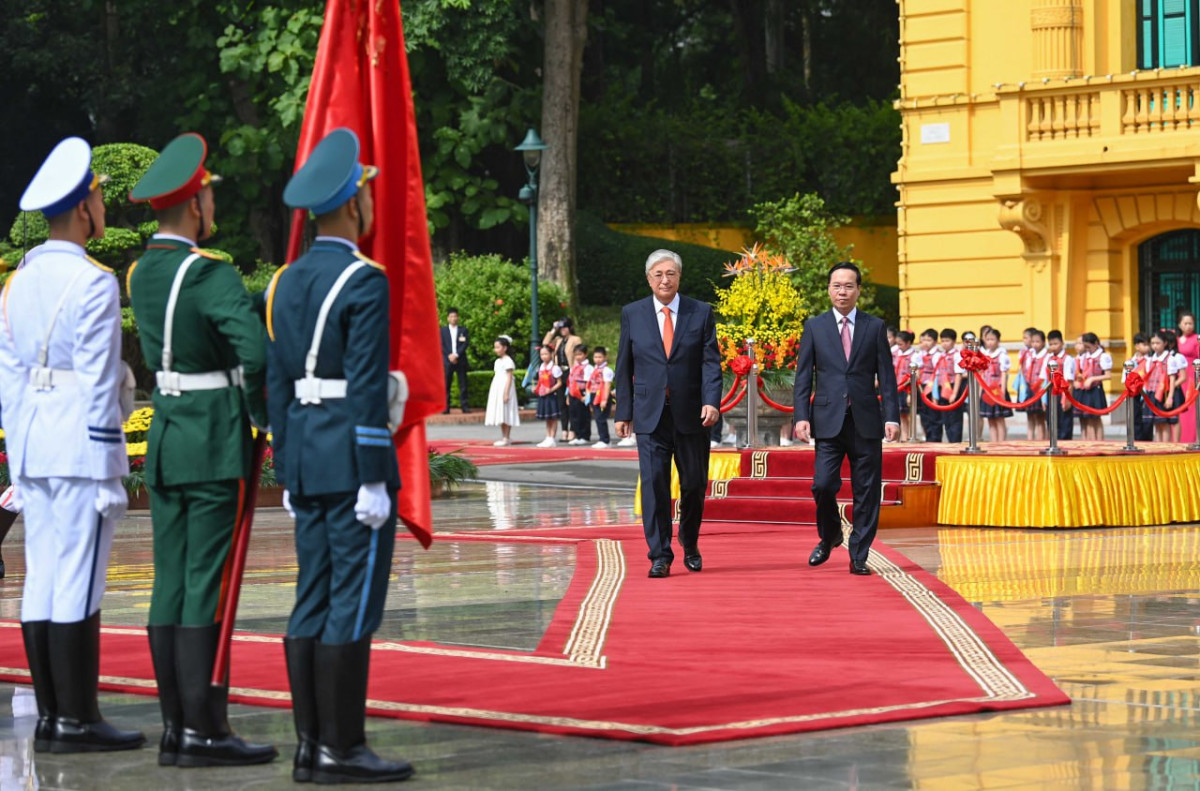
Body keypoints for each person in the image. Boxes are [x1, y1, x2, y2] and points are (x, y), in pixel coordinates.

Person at [266, 127, 414, 784]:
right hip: (352, 463)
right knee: (352, 602)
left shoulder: (286, 279)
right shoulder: (363, 280)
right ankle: (342, 747)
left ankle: (309, 744)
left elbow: (276, 384)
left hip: (306, 457)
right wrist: (377, 475)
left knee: (311, 598)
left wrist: (288, 465)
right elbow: (363, 384)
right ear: (352, 205)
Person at [126, 132, 277, 768]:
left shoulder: (143, 272)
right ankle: (206, 730)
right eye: (209, 194)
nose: (213, 204)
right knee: (207, 586)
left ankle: (174, 727)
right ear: (194, 206)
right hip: (213, 439)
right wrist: (261, 414)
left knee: (170, 582)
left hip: (166, 438)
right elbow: (256, 352)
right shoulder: (208, 271)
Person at [0, 137, 144, 752]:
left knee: (42, 580)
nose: (103, 204)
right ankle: (78, 719)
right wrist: (110, 465)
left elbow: (7, 376)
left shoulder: (19, 281)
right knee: (80, 582)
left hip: (33, 443)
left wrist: (19, 454)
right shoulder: (94, 282)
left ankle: (55, 716)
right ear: (84, 209)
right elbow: (96, 381)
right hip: (78, 449)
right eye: (99, 196)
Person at [615, 249, 721, 578]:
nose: (665, 279)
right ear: (649, 279)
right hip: (650, 415)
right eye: (658, 274)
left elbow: (710, 362)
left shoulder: (700, 312)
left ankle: (689, 542)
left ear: (679, 277)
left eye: (670, 273)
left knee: (693, 484)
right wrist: (624, 411)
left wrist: (712, 400)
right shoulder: (633, 313)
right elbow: (624, 365)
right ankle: (659, 554)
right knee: (654, 484)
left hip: (692, 414)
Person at [793, 262, 900, 576]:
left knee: (866, 490)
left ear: (858, 290)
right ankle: (830, 535)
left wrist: (891, 416)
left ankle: (859, 554)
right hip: (827, 419)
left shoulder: (874, 326)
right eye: (837, 286)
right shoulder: (815, 326)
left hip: (866, 420)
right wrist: (801, 416)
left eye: (849, 286)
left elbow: (888, 377)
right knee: (822, 485)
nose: (843, 291)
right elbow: (803, 376)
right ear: (829, 289)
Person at [543, 317, 582, 441]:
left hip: (570, 371)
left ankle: (573, 430)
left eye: (564, 327)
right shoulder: (558, 340)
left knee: (571, 402)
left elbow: (578, 353)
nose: (562, 330)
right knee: (561, 403)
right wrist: (553, 329)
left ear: (569, 328)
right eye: (561, 328)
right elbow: (545, 343)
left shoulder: (575, 339)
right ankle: (564, 430)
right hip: (559, 372)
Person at [1073, 332, 1112, 441]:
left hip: (1095, 389)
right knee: (1085, 418)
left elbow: (1108, 376)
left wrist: (1093, 379)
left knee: (1094, 418)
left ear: (1096, 344)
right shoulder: (1084, 356)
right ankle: (1087, 441)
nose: (1087, 349)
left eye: (1088, 347)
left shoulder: (1103, 356)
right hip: (1084, 390)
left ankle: (1098, 441)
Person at [978, 328, 1011, 442]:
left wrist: (1003, 390)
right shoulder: (984, 355)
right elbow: (982, 374)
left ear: (998, 340)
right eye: (987, 339)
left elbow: (1004, 374)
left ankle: (1001, 442)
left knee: (999, 418)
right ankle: (993, 443)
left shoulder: (1001, 354)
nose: (990, 342)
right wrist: (980, 392)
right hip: (986, 390)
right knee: (990, 418)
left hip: (997, 389)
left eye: (992, 339)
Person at [485, 335, 519, 446]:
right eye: (495, 347)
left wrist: (506, 393)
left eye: (498, 347)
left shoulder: (508, 361)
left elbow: (509, 377)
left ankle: (506, 437)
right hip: (498, 386)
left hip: (505, 387)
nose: (496, 350)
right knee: (501, 411)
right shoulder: (497, 361)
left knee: (506, 411)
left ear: (505, 348)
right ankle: (504, 436)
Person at [1145, 330, 1178, 442]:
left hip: (1163, 393)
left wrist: (1170, 397)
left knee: (1164, 423)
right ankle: (1158, 446)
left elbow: (1172, 379)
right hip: (1152, 393)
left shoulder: (1170, 359)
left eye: (1158, 343)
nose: (1155, 346)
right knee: (1156, 423)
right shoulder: (1150, 360)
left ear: (1165, 343)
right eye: (1152, 343)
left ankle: (1166, 447)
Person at [1044, 330, 1075, 441]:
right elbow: (1044, 380)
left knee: (1064, 422)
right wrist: (1044, 399)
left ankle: (1065, 446)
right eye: (1051, 344)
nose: (1053, 347)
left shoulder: (1068, 359)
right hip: (1051, 393)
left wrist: (1067, 399)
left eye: (1056, 344)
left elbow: (1069, 381)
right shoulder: (1047, 358)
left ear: (1062, 343)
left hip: (1063, 392)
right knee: (1051, 421)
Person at [935, 329, 965, 442]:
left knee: (955, 418)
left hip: (953, 387)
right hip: (943, 387)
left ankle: (956, 442)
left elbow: (959, 375)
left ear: (953, 341)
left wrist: (954, 393)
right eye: (942, 341)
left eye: (947, 340)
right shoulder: (940, 355)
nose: (944, 343)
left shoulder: (957, 355)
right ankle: (949, 441)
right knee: (945, 418)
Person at [440, 307, 469, 414]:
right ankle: (445, 407)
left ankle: (465, 406)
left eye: (455, 316)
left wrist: (456, 355)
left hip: (460, 360)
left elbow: (465, 344)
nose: (453, 318)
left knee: (463, 384)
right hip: (447, 361)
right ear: (448, 318)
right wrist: (449, 355)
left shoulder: (463, 330)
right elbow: (440, 344)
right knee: (446, 384)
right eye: (451, 316)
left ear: (458, 317)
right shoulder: (442, 331)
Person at [915, 329, 942, 442]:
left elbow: (938, 373)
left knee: (934, 416)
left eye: (929, 340)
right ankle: (927, 436)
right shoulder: (920, 354)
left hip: (932, 388)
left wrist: (935, 395)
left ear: (935, 342)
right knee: (924, 415)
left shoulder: (937, 355)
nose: (926, 342)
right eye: (924, 339)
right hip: (922, 387)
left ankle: (935, 439)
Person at [533, 344, 562, 447]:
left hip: (551, 395)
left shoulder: (554, 368)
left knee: (553, 417)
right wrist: (536, 388)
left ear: (551, 354)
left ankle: (552, 438)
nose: (543, 356)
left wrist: (551, 389)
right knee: (547, 417)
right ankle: (548, 437)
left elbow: (559, 382)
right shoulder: (541, 367)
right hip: (543, 394)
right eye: (542, 354)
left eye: (546, 354)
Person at [1022, 329, 1048, 442]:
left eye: (1037, 341)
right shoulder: (1029, 354)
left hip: (1040, 388)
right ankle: (1030, 439)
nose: (1035, 344)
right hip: (1030, 388)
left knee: (1040, 417)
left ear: (1043, 342)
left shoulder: (1046, 356)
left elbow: (1045, 374)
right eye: (1033, 341)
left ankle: (1041, 440)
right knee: (1030, 416)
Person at [565, 344, 592, 445]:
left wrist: (587, 396)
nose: (578, 357)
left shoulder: (588, 367)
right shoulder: (574, 367)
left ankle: (585, 435)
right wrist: (568, 395)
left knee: (583, 414)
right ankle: (578, 434)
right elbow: (570, 381)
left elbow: (588, 382)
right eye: (576, 355)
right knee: (574, 414)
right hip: (573, 392)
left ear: (585, 354)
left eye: (580, 354)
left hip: (582, 392)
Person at [588, 346, 615, 449]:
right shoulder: (594, 369)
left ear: (605, 357)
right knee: (597, 418)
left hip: (602, 395)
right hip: (594, 395)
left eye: (600, 357)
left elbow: (607, 385)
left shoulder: (606, 370)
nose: (597, 359)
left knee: (601, 418)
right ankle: (601, 438)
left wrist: (604, 399)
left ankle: (605, 440)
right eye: (595, 357)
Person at [1179, 313, 1199, 442]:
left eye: (1190, 323)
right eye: (1185, 323)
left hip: (1192, 375)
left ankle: (1192, 438)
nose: (1188, 326)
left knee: (1192, 408)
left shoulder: (1197, 338)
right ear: (1180, 324)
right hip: (1179, 375)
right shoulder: (1176, 340)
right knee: (1180, 405)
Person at [893, 330, 916, 441]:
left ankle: (910, 435)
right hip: (897, 386)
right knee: (900, 413)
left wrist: (910, 393)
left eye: (901, 344)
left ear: (908, 343)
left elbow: (915, 376)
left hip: (907, 388)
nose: (899, 346)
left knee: (909, 413)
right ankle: (903, 436)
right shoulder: (895, 352)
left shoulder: (914, 355)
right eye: (897, 344)